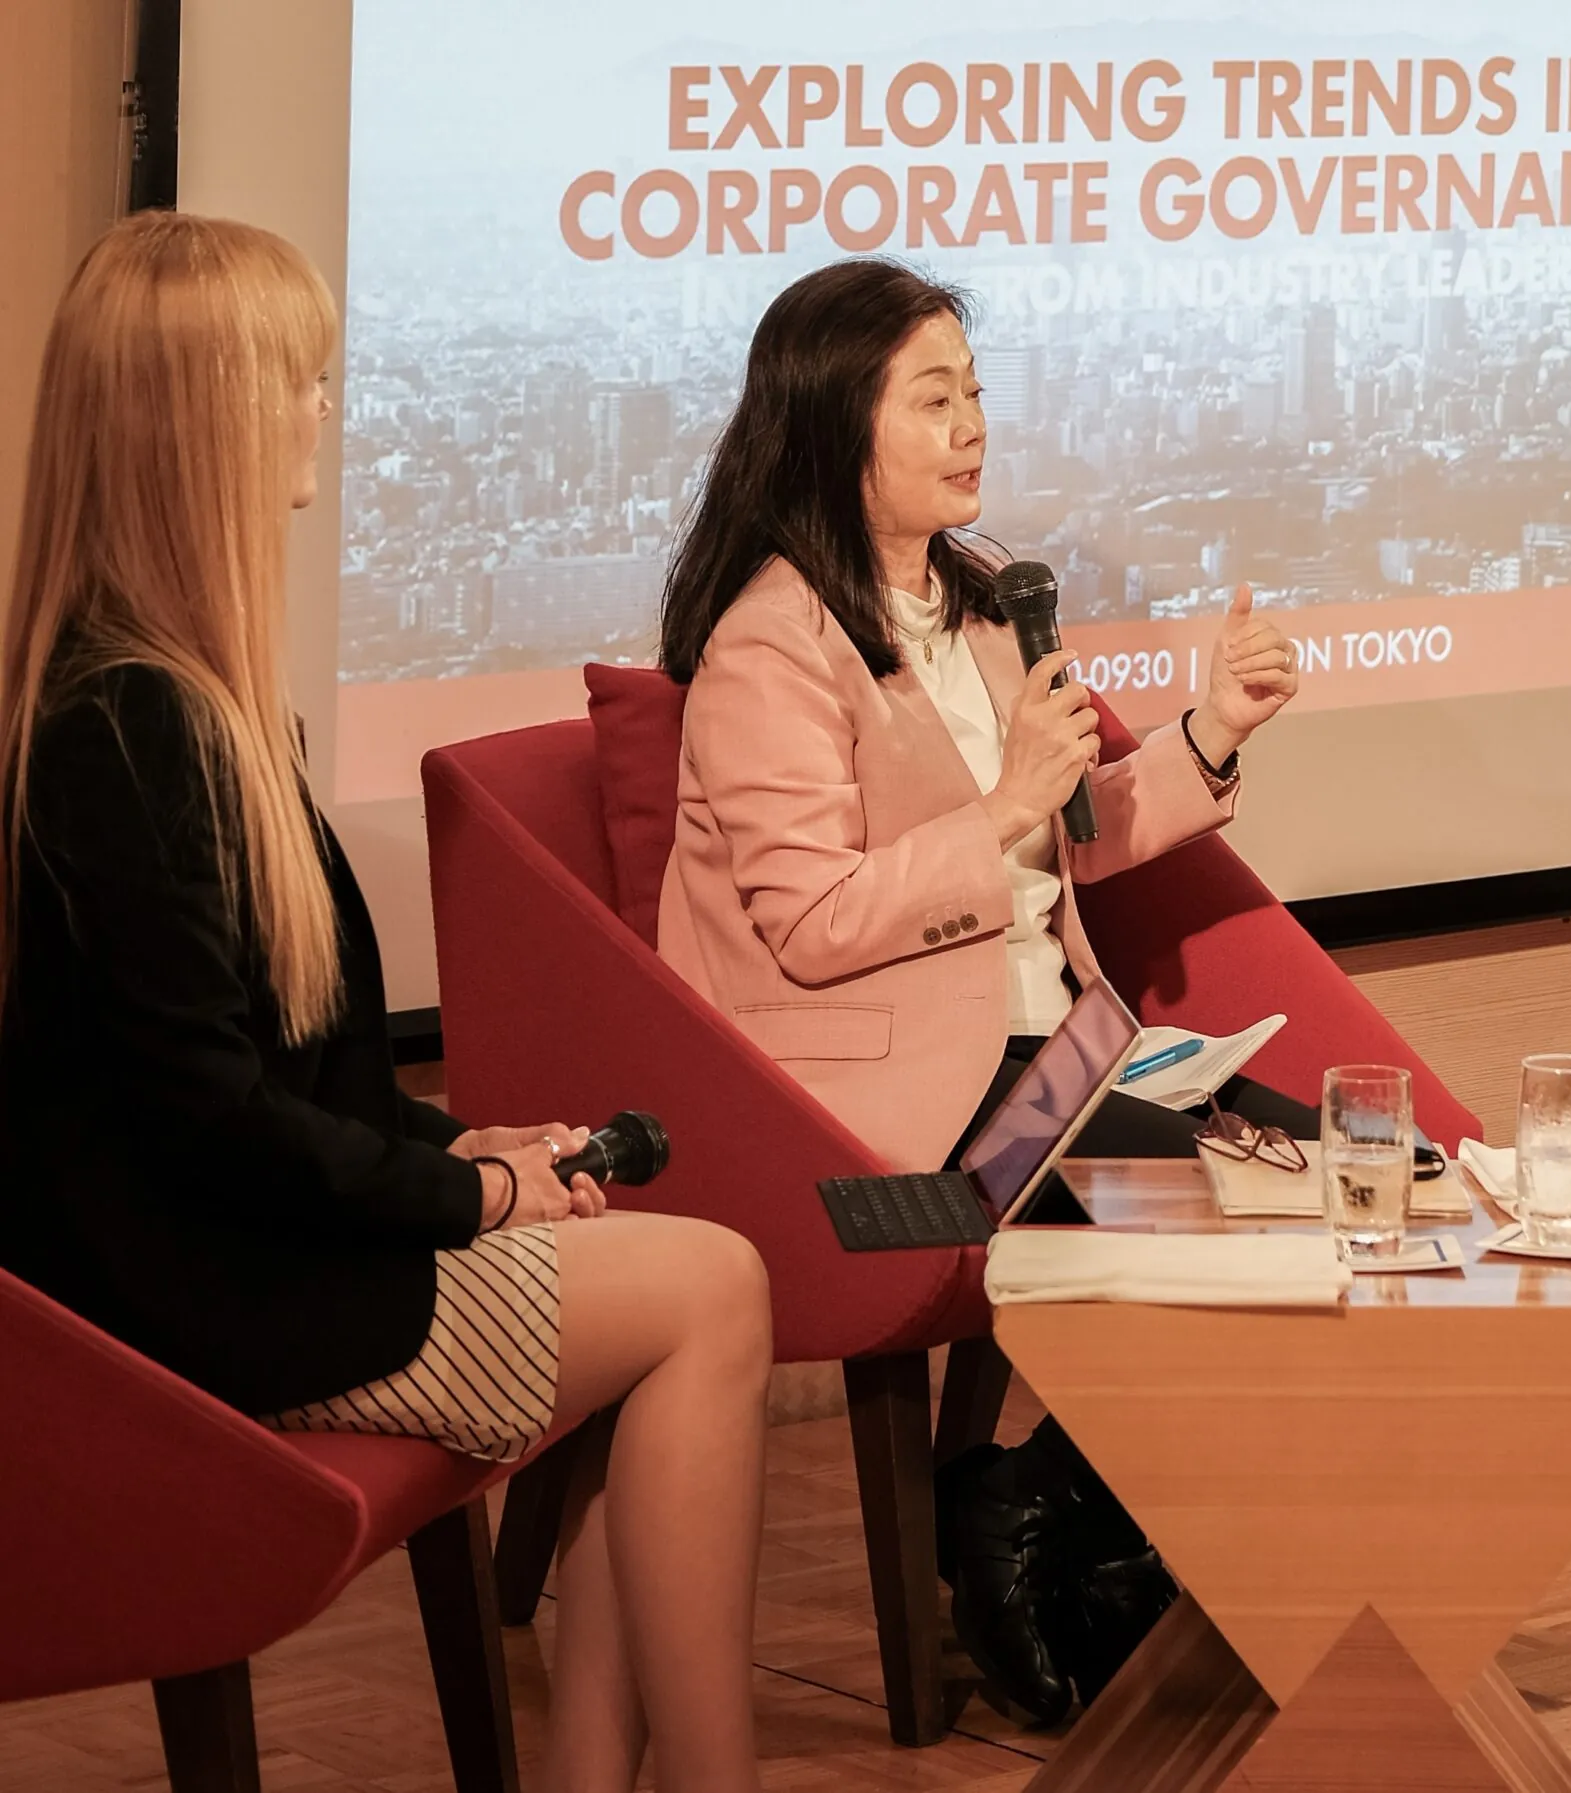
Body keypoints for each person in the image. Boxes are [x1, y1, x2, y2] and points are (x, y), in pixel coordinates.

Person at [0, 213, 774, 1793]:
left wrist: (453, 1147)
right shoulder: (126, 729)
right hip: (217, 1312)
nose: (323, 412)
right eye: (302, 380)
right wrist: (467, 1197)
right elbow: (211, 1122)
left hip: (245, 1259)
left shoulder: (164, 696)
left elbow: (269, 1076)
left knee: (678, 1284)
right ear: (211, 421)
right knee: (714, 1287)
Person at [653, 259, 1305, 1725]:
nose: (973, 426)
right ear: (837, 425)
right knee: (1219, 1213)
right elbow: (812, 923)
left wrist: (1209, 729)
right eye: (933, 398)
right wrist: (1004, 800)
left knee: (1314, 1184)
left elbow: (1063, 831)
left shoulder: (984, 606)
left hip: (1049, 1051)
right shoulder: (770, 645)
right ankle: (1038, 1531)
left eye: (976, 392)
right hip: (886, 1095)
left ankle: (1033, 1501)